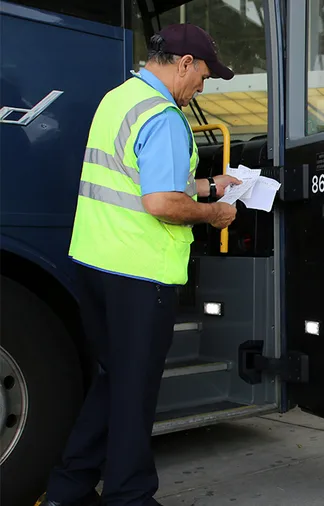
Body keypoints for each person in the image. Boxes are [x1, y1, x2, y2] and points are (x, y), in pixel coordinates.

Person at [39, 24, 238, 506]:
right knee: (135, 392)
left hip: (96, 265)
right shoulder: (165, 116)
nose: (201, 89)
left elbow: (140, 179)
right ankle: (129, 496)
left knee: (112, 382)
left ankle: (69, 487)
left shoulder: (120, 98)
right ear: (184, 64)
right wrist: (214, 213)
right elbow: (160, 202)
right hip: (139, 275)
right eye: (204, 77)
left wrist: (210, 185)